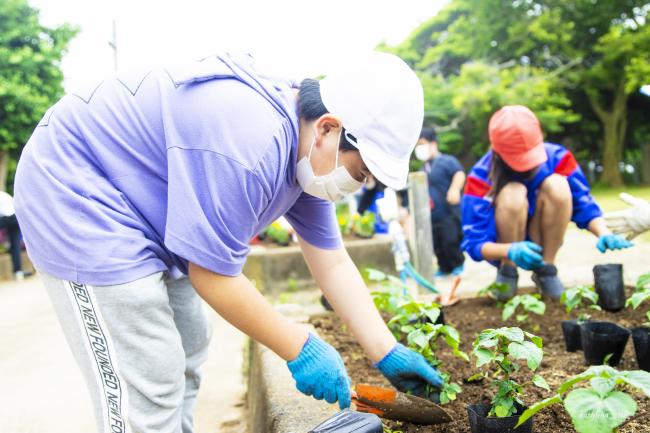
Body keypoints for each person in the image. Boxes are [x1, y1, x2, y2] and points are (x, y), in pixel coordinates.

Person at [14, 52, 444, 433]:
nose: (359, 183)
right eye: (362, 169)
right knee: (145, 379)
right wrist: (299, 347)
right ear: (329, 128)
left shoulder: (306, 155)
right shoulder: (251, 143)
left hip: (141, 210)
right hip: (76, 191)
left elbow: (331, 261)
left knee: (186, 348)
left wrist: (386, 351)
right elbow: (213, 274)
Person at [461, 105, 632, 301]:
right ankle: (508, 274)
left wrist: (604, 233)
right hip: (506, 246)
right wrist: (510, 250)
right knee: (514, 191)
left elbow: (582, 203)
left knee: (558, 184)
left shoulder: (558, 158)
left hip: (543, 235)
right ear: (498, 152)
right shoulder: (480, 177)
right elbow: (474, 242)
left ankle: (546, 270)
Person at [414, 127, 466, 277]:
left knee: (450, 240)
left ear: (433, 143)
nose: (420, 148)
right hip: (432, 214)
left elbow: (459, 173)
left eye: (422, 144)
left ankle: (457, 265)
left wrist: (454, 189)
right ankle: (444, 267)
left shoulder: (447, 161)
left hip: (448, 212)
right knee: (437, 243)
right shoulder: (423, 168)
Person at [0, 191, 30, 280]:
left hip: (7, 218)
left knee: (15, 245)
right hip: (15, 218)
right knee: (15, 246)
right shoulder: (3, 194)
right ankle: (18, 272)